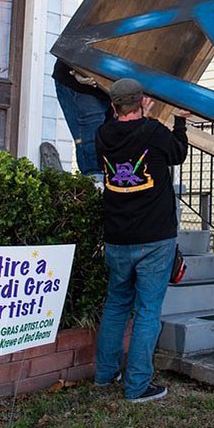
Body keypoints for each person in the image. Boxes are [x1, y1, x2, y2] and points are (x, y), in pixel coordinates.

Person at [93, 78, 190, 402]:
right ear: (142, 102)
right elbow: (178, 153)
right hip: (154, 238)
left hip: (117, 238)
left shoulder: (103, 135)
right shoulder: (153, 132)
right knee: (147, 311)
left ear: (113, 106)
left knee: (116, 306)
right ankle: (136, 386)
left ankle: (105, 374)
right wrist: (180, 121)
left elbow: (117, 130)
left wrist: (134, 112)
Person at [52, 59, 111, 179]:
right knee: (93, 141)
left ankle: (100, 184)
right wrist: (75, 69)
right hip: (79, 85)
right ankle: (95, 184)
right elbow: (70, 43)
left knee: (109, 140)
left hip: (108, 85)